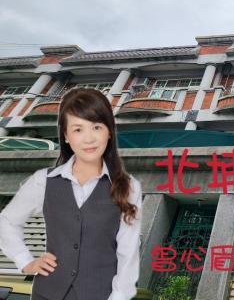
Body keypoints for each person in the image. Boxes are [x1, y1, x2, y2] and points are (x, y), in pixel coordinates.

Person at [0, 88, 143, 300]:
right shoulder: (43, 181)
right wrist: (25, 261)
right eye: (78, 129)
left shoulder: (129, 187)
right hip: (46, 294)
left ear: (109, 132)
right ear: (66, 136)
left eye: (96, 127)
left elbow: (128, 252)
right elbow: (6, 221)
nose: (89, 138)